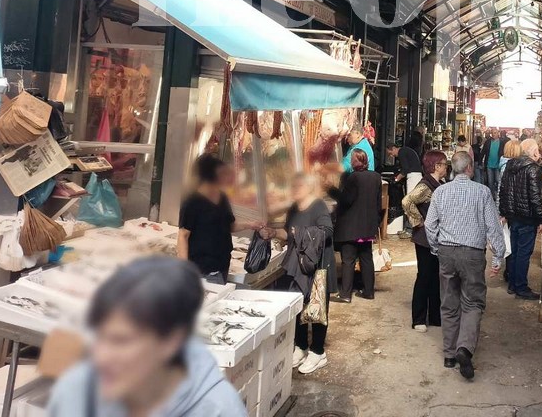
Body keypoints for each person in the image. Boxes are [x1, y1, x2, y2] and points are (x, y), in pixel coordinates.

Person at [48, 257, 247, 416]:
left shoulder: (218, 409)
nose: (101, 356)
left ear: (171, 341)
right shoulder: (76, 392)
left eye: (121, 341)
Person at [425, 151, 506, 381]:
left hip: (447, 251)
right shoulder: (482, 192)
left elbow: (430, 225)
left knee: (448, 303)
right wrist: (498, 256)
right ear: (470, 168)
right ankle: (464, 348)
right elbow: (493, 227)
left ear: (453, 168)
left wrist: (436, 248)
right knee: (472, 303)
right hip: (472, 254)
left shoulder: (440, 192)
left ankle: (449, 355)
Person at [271, 173, 335, 375]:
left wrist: (300, 232)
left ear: (308, 187)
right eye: (293, 186)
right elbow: (287, 232)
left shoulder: (318, 206)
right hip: (297, 265)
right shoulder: (293, 208)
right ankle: (301, 346)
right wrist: (272, 233)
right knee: (298, 306)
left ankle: (318, 352)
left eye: (298, 186)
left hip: (317, 265)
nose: (294, 189)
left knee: (316, 307)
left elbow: (327, 231)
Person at [177, 155, 263, 284]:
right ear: (209, 175)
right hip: (201, 269)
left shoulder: (222, 197)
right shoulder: (192, 201)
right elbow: (183, 236)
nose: (226, 177)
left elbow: (228, 226)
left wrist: (250, 225)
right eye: (222, 174)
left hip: (222, 265)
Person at [401, 151, 449, 331]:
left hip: (435, 237)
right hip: (424, 239)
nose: (446, 167)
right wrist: (418, 221)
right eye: (444, 164)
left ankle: (435, 316)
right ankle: (419, 319)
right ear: (436, 166)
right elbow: (407, 201)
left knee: (435, 277)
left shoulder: (438, 183)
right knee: (424, 277)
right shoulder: (426, 186)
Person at [329, 149, 382, 302]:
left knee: (348, 259)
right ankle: (369, 291)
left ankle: (345, 294)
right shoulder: (376, 177)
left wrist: (331, 190)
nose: (351, 162)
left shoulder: (353, 178)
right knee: (366, 258)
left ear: (357, 161)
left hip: (351, 228)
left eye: (352, 159)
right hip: (368, 227)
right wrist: (376, 222)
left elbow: (346, 200)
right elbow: (378, 203)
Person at [498, 138, 542, 299]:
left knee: (514, 252)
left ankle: (513, 285)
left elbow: (503, 191)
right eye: (537, 150)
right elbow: (535, 198)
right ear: (534, 151)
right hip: (527, 217)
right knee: (523, 254)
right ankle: (521, 287)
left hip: (513, 216)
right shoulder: (533, 168)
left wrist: (504, 212)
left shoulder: (510, 165)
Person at [483, 130, 508, 201]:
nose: (493, 134)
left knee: (497, 180)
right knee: (490, 182)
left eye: (495, 133)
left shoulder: (502, 142)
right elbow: (483, 152)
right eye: (492, 133)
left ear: (498, 134)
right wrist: (479, 162)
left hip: (498, 165)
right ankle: (491, 197)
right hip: (489, 165)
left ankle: (498, 195)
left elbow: (504, 152)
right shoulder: (488, 142)